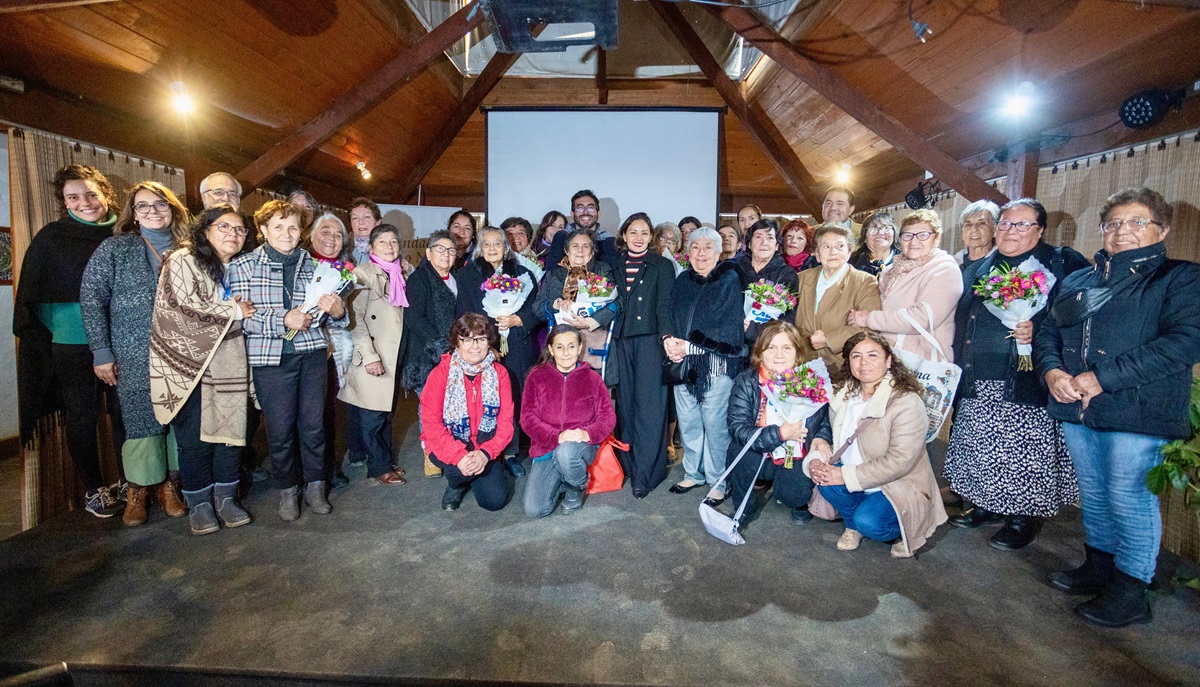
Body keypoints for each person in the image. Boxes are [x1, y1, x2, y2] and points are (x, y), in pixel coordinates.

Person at [1036, 187, 1200, 627]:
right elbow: (1047, 333)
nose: (1123, 230)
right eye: (1113, 223)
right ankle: (1100, 565)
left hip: (1139, 410)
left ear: (1161, 230)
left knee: (1130, 498)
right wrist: (1053, 373)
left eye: (1137, 222)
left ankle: (1132, 589)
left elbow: (1185, 343)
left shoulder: (1181, 278)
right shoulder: (1078, 280)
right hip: (1077, 407)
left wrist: (1101, 378)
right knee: (1094, 492)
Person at [945, 198, 1089, 550]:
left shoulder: (1059, 263)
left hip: (1027, 374)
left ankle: (1023, 517)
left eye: (1023, 224)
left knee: (1023, 449)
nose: (1011, 230)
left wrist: (1038, 327)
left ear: (1039, 230)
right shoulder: (981, 266)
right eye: (1006, 224)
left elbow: (1079, 313)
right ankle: (985, 503)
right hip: (978, 373)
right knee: (981, 443)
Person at [13, 164, 125, 517]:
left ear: (106, 194)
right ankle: (94, 489)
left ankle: (129, 481)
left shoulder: (123, 234)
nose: (85, 202)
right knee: (82, 415)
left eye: (91, 194)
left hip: (121, 338)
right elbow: (34, 296)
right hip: (73, 342)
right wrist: (71, 330)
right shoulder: (52, 237)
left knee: (126, 413)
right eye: (73, 197)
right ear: (64, 202)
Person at [229, 199, 348, 522]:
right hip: (270, 359)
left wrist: (338, 311)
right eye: (278, 227)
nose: (286, 233)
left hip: (311, 356)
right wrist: (284, 319)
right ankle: (288, 489)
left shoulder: (315, 266)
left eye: (293, 227)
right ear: (263, 230)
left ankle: (315, 486)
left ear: (302, 232)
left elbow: (329, 318)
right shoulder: (242, 267)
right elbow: (241, 319)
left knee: (313, 426)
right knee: (280, 430)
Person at [82, 180, 190, 527]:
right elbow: (92, 299)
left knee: (178, 417)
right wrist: (101, 351)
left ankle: (170, 486)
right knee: (143, 419)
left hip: (184, 350)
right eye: (143, 206)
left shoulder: (190, 249)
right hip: (132, 351)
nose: (153, 211)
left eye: (160, 204)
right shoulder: (115, 249)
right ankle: (139, 489)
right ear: (134, 213)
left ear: (172, 209)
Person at [148, 204, 255, 535]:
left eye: (239, 229)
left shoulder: (241, 267)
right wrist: (233, 309)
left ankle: (225, 498)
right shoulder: (184, 259)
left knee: (230, 436)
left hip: (231, 362)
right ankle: (199, 504)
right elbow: (180, 307)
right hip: (189, 364)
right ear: (205, 230)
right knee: (194, 439)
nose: (232, 234)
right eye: (224, 227)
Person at [805, 332, 948, 557]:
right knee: (823, 479)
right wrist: (818, 450)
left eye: (872, 355)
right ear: (848, 361)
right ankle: (853, 525)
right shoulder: (844, 393)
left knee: (870, 522)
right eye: (856, 356)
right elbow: (829, 428)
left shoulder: (906, 402)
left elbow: (899, 461)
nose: (864, 363)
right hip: (856, 473)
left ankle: (907, 529)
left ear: (888, 360)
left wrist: (843, 476)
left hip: (896, 483)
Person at [665, 227, 746, 506]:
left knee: (715, 425)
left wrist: (690, 346)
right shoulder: (682, 280)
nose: (701, 253)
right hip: (683, 365)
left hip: (715, 364)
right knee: (688, 422)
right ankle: (692, 473)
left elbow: (727, 326)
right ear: (688, 252)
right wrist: (670, 343)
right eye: (695, 247)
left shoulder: (729, 278)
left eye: (707, 247)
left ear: (719, 250)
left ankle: (718, 481)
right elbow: (671, 316)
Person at [725, 321, 831, 530]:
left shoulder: (811, 381)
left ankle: (797, 501)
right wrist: (780, 434)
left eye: (786, 348)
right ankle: (744, 503)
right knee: (739, 452)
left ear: (797, 352)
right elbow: (737, 427)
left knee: (794, 494)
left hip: (796, 453)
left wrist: (821, 438)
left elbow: (824, 420)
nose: (779, 354)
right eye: (771, 348)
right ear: (760, 352)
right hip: (759, 449)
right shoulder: (747, 381)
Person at [454, 226, 539, 475]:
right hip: (483, 348)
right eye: (487, 244)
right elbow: (465, 313)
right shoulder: (468, 275)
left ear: (506, 247)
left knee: (519, 394)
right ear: (480, 248)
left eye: (498, 244)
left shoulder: (523, 273)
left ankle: (519, 449)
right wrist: (489, 342)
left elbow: (535, 308)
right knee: (493, 399)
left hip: (519, 345)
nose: (492, 249)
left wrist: (517, 320)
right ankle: (497, 451)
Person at [609, 213, 675, 497]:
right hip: (621, 341)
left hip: (650, 342)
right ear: (624, 235)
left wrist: (667, 338)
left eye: (644, 232)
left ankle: (647, 474)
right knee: (626, 408)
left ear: (651, 237)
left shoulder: (662, 265)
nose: (638, 237)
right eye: (633, 232)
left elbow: (664, 306)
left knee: (650, 409)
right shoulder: (613, 265)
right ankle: (629, 466)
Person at [420, 314, 515, 511]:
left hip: (484, 444)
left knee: (495, 501)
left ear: (489, 342)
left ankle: (482, 470)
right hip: (450, 442)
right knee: (457, 469)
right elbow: (431, 424)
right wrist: (459, 457)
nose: (475, 346)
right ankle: (456, 484)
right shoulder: (440, 374)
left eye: (481, 339)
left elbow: (506, 422)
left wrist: (486, 453)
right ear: (456, 343)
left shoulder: (500, 373)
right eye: (467, 340)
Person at [520, 325, 617, 518]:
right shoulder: (536, 377)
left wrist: (585, 434)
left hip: (579, 446)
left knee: (566, 453)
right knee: (534, 510)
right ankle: (563, 480)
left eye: (571, 346)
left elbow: (607, 418)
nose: (566, 353)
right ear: (550, 349)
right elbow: (527, 418)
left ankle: (575, 488)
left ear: (580, 347)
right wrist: (557, 436)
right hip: (546, 447)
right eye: (560, 347)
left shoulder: (592, 378)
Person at [338, 224, 408, 487]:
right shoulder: (361, 275)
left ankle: (384, 460)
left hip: (394, 352)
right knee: (372, 416)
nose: (389, 247)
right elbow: (354, 319)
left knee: (386, 413)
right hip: (374, 354)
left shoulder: (400, 273)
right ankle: (378, 466)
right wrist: (370, 356)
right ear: (370, 248)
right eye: (382, 243)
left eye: (393, 242)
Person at [846, 209, 962, 362]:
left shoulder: (944, 270)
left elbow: (922, 319)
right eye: (908, 235)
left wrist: (869, 318)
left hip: (923, 363)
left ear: (937, 237)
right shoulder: (892, 271)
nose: (914, 242)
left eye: (923, 235)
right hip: (890, 360)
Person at [306, 212, 361, 488]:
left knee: (328, 411)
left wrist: (338, 312)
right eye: (325, 232)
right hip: (300, 349)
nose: (331, 238)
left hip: (332, 350)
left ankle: (327, 467)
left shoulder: (345, 271)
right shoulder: (301, 264)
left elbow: (346, 316)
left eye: (338, 235)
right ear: (312, 236)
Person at [401, 230, 460, 479]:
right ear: (428, 253)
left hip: (451, 353)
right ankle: (431, 454)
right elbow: (414, 317)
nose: (446, 255)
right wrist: (441, 346)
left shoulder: (453, 279)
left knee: (450, 407)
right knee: (430, 408)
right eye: (440, 249)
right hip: (426, 356)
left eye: (451, 250)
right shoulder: (419, 279)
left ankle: (449, 450)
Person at [532, 229, 619, 380]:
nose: (580, 250)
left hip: (594, 345)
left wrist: (590, 321)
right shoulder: (554, 274)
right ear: (566, 250)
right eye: (575, 246)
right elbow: (537, 308)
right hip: (561, 345)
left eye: (586, 246)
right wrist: (556, 304)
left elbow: (617, 303)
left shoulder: (603, 270)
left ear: (592, 252)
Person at [794, 225, 881, 371]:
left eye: (840, 246)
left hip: (841, 366)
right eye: (826, 247)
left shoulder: (865, 282)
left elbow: (870, 327)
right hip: (801, 366)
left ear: (849, 252)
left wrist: (829, 339)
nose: (833, 252)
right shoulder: (801, 278)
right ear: (816, 254)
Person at [736, 218, 799, 346]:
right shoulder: (734, 269)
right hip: (734, 341)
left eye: (770, 238)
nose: (764, 242)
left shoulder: (786, 274)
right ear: (749, 244)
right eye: (758, 237)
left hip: (768, 343)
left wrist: (753, 329)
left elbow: (788, 318)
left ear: (777, 245)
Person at [546, 190, 616, 265]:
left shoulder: (609, 241)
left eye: (590, 208)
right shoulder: (562, 237)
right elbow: (552, 272)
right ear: (572, 214)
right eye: (580, 208)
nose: (585, 212)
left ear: (598, 213)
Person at [849, 211, 900, 276]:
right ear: (864, 237)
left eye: (886, 228)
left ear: (894, 233)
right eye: (873, 229)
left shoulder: (905, 261)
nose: (880, 233)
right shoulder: (852, 265)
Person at [955, 200, 999, 271]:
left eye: (981, 223)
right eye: (968, 224)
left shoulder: (1001, 263)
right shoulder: (952, 264)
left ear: (995, 230)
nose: (973, 229)